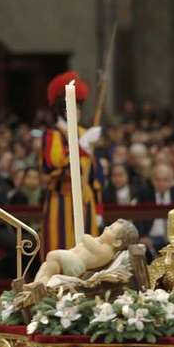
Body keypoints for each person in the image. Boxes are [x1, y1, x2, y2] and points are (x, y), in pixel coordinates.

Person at [41, 71, 103, 252]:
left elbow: (94, 174)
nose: (77, 111)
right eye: (72, 106)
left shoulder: (84, 133)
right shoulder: (52, 135)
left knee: (88, 254)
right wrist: (82, 148)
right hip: (62, 200)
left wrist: (98, 208)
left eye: (78, 107)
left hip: (86, 200)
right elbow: (53, 167)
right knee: (60, 250)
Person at [26, 218, 138, 289]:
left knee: (53, 255)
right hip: (71, 260)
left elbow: (92, 246)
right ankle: (39, 282)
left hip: (76, 267)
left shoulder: (107, 251)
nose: (106, 227)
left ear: (117, 242)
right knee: (45, 265)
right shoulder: (101, 242)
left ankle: (46, 282)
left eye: (111, 229)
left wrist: (86, 237)